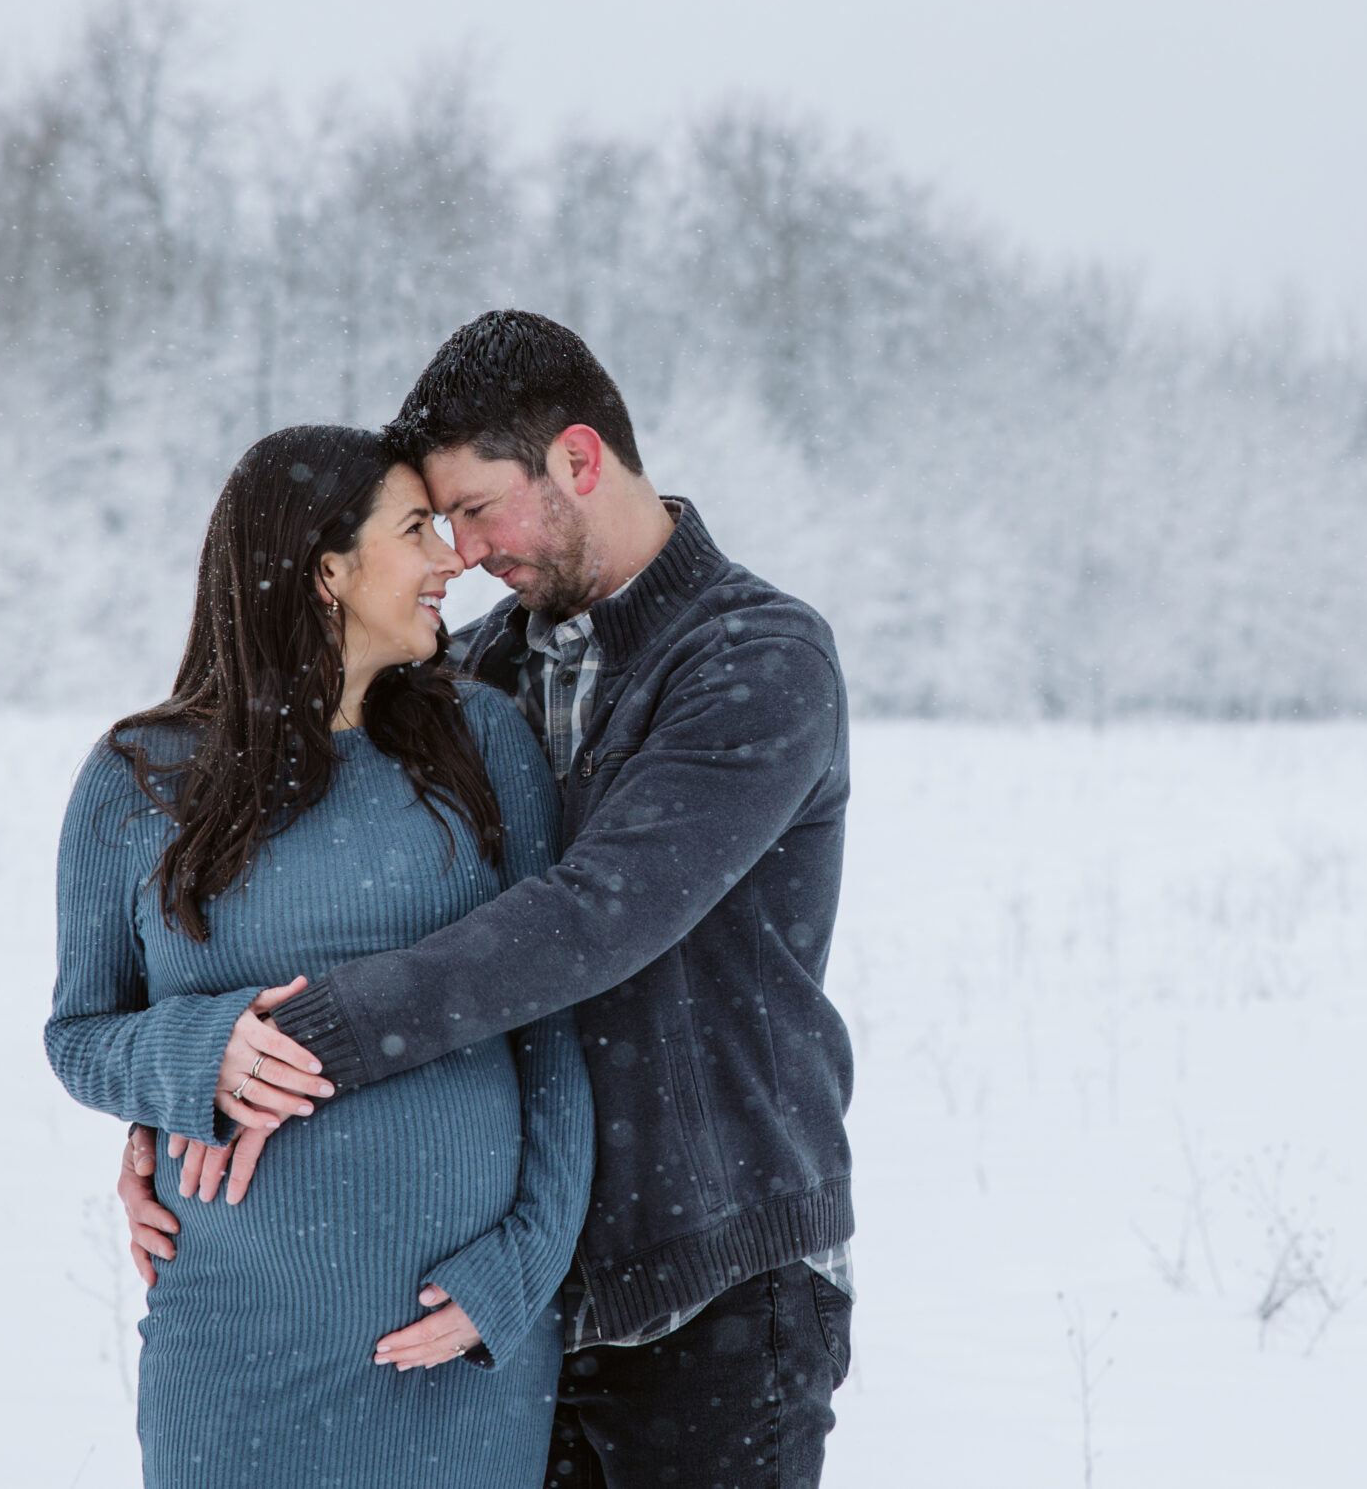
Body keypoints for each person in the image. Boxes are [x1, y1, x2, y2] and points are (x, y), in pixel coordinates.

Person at [120, 311, 857, 1486]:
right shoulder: (472, 680)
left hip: (713, 1276)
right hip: (510, 1293)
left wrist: (297, 1050)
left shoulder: (754, 661)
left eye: (472, 508)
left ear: (577, 459)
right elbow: (327, 912)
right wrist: (188, 1088)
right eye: (436, 521)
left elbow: (594, 917)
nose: (456, 550)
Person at [47, 424, 593, 1488]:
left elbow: (557, 1025)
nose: (451, 559)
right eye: (415, 531)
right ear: (325, 570)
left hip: (459, 1338)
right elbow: (79, 1035)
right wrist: (195, 1053)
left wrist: (521, 1266)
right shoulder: (138, 778)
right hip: (237, 1349)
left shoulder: (484, 744)